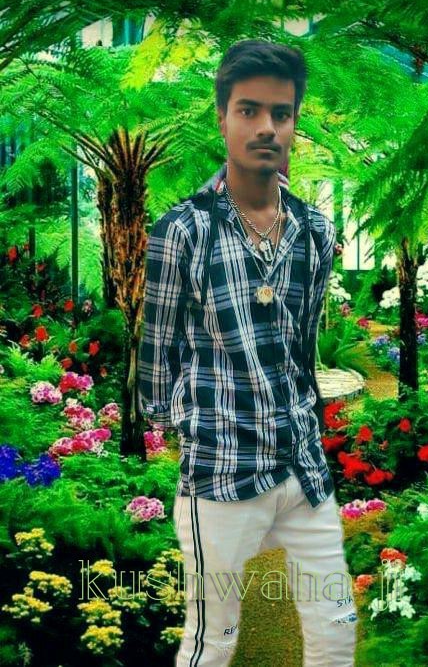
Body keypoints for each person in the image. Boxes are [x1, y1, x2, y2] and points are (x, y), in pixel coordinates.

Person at [137, 39, 357, 666]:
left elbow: (302, 346)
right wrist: (191, 426)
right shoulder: (184, 230)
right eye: (249, 110)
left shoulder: (315, 232)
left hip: (302, 466)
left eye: (280, 113)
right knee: (213, 641)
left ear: (294, 122)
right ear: (223, 117)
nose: (266, 127)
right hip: (220, 468)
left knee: (336, 627)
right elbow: (157, 355)